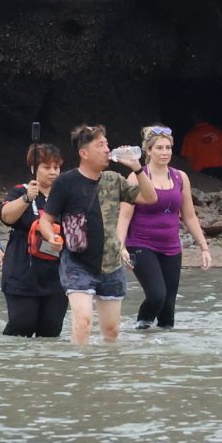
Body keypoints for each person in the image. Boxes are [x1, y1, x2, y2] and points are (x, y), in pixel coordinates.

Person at [49, 126, 142, 344]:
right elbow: (47, 219)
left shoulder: (114, 179)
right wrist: (51, 236)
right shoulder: (65, 182)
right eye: (100, 145)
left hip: (111, 263)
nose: (107, 149)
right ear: (84, 153)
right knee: (83, 324)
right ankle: (79, 372)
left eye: (107, 144)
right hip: (76, 262)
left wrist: (137, 168)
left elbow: (149, 197)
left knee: (112, 332)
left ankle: (106, 373)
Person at [123, 125, 211, 330]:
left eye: (168, 148)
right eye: (160, 148)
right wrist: (121, 247)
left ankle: (165, 353)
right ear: (149, 151)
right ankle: (141, 329)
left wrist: (204, 247)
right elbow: (124, 216)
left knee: (168, 308)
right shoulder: (136, 177)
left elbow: (189, 216)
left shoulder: (180, 177)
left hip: (171, 247)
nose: (165, 152)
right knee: (156, 296)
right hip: (141, 244)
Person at [0, 145, 66, 339]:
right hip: (22, 272)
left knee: (51, 329)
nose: (53, 172)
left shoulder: (64, 195)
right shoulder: (20, 191)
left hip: (56, 274)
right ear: (34, 168)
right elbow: (6, 216)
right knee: (22, 324)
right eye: (46, 167)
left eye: (56, 167)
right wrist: (27, 199)